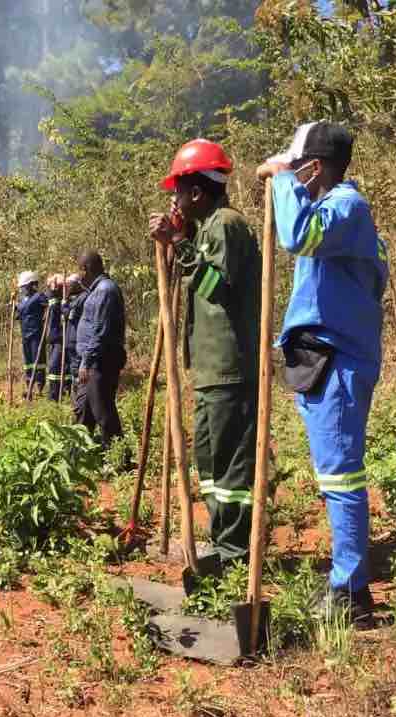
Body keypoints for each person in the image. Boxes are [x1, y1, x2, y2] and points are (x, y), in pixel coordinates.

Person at [256, 121, 389, 626]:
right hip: (325, 358)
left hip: (339, 363)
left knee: (341, 475)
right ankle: (347, 583)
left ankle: (351, 593)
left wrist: (282, 179)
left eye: (298, 167)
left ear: (314, 167)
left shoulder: (346, 209)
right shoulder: (336, 212)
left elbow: (297, 235)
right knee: (335, 472)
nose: (294, 175)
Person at [149, 138, 262, 567]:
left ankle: (235, 550)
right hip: (212, 372)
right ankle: (222, 540)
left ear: (196, 191)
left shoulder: (227, 224)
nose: (175, 200)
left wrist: (178, 240)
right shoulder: (208, 227)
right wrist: (181, 236)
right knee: (210, 462)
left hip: (232, 369)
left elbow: (215, 286)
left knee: (231, 465)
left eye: (178, 191)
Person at [74, 251, 126, 449]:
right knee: (83, 412)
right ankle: (78, 456)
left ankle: (119, 460)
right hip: (94, 361)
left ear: (85, 269)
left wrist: (86, 361)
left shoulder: (105, 290)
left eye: (79, 270)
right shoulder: (96, 290)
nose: (79, 276)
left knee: (103, 413)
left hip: (101, 362)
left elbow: (99, 330)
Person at [15, 271, 48, 399]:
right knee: (28, 362)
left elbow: (49, 306)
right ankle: (29, 386)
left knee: (38, 361)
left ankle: (40, 388)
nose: (23, 289)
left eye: (24, 286)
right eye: (22, 287)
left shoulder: (39, 296)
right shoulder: (23, 300)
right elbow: (19, 315)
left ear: (31, 284)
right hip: (25, 335)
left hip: (36, 334)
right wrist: (15, 306)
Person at [62, 275, 85, 402]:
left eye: (70, 284)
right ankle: (74, 396)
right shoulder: (74, 299)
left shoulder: (81, 299)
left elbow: (70, 315)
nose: (68, 287)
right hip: (70, 340)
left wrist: (64, 305)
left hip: (76, 340)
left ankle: (78, 398)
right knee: (72, 369)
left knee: (76, 370)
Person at [45, 275, 66, 401]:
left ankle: (55, 395)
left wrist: (53, 291)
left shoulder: (60, 299)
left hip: (60, 337)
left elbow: (56, 309)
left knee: (54, 366)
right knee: (53, 367)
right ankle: (55, 393)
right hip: (54, 338)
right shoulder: (53, 298)